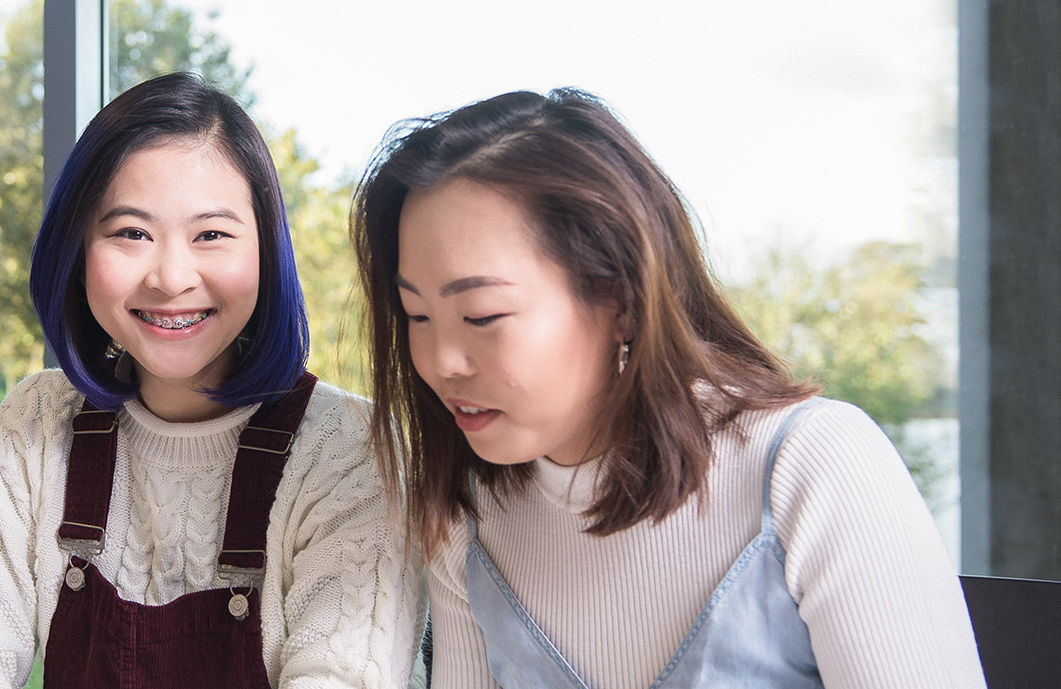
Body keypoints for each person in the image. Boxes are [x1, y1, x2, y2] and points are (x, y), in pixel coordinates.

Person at [350, 88, 985, 689]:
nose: (441, 361)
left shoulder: (812, 464)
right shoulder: (470, 515)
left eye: (482, 315)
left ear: (621, 299)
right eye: (418, 317)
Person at [0, 73, 422, 688]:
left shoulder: (351, 448)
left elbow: (342, 676)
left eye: (212, 235)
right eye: (131, 233)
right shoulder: (37, 422)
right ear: (77, 247)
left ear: (267, 251)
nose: (171, 277)